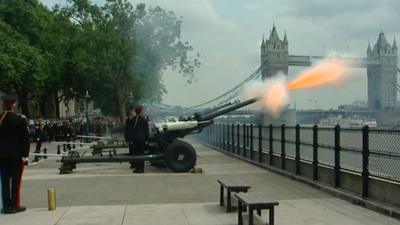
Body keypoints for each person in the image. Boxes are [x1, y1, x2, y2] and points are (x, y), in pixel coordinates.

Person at [0, 95, 30, 214]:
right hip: (16, 155)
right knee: (16, 181)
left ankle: (6, 206)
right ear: (14, 105)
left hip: (2, 156)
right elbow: (25, 139)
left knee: (5, 181)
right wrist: (25, 155)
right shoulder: (19, 119)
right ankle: (14, 205)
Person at [125, 105, 149, 173]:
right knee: (141, 153)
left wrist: (129, 140)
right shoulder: (144, 120)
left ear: (135, 111)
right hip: (142, 139)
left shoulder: (132, 120)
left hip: (135, 139)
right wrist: (147, 139)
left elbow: (130, 131)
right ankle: (142, 168)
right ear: (140, 112)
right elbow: (146, 130)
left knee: (136, 154)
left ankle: (138, 168)